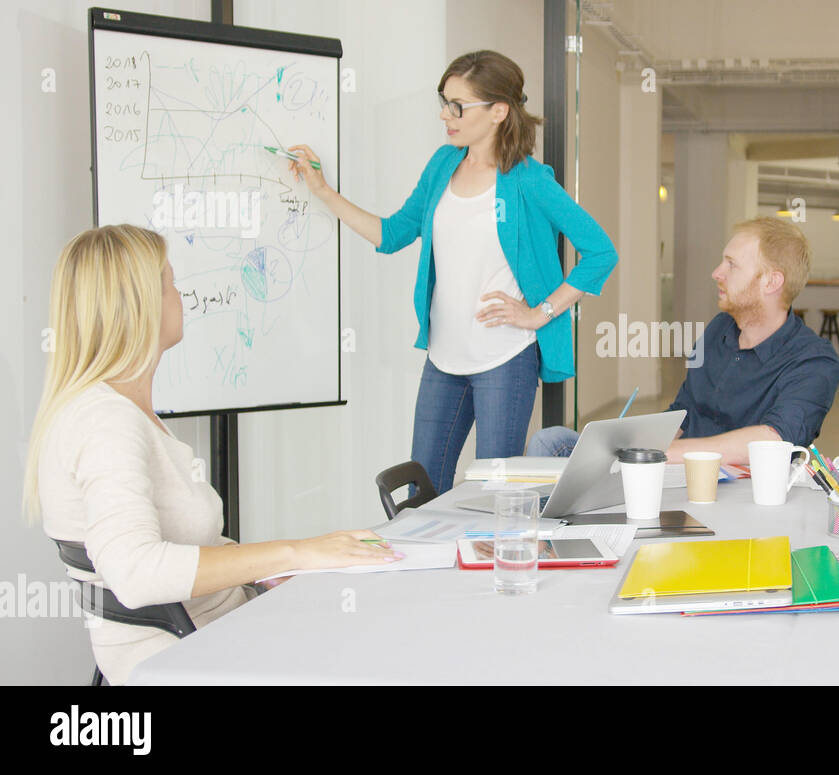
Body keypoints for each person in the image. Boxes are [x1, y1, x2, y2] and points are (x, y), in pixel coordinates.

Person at [23, 225, 402, 685]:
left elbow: (182, 543)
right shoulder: (106, 423)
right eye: (170, 283)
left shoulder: (120, 412)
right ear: (138, 304)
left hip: (223, 630)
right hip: (194, 655)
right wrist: (293, 553)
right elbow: (136, 571)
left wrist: (290, 565)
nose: (180, 296)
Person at [288, 50, 617, 494]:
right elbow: (391, 234)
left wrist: (540, 312)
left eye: (458, 106)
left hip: (505, 360)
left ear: (499, 111)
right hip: (443, 358)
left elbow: (600, 251)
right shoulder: (443, 165)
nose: (446, 115)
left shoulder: (529, 180)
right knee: (423, 493)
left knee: (495, 496)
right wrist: (322, 190)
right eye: (443, 102)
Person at [527, 217, 839, 465]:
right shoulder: (720, 329)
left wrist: (659, 455)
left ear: (771, 282)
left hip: (728, 486)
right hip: (672, 470)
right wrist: (629, 441)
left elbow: (774, 440)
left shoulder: (814, 360)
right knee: (550, 441)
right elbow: (684, 411)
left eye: (732, 264)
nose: (717, 272)